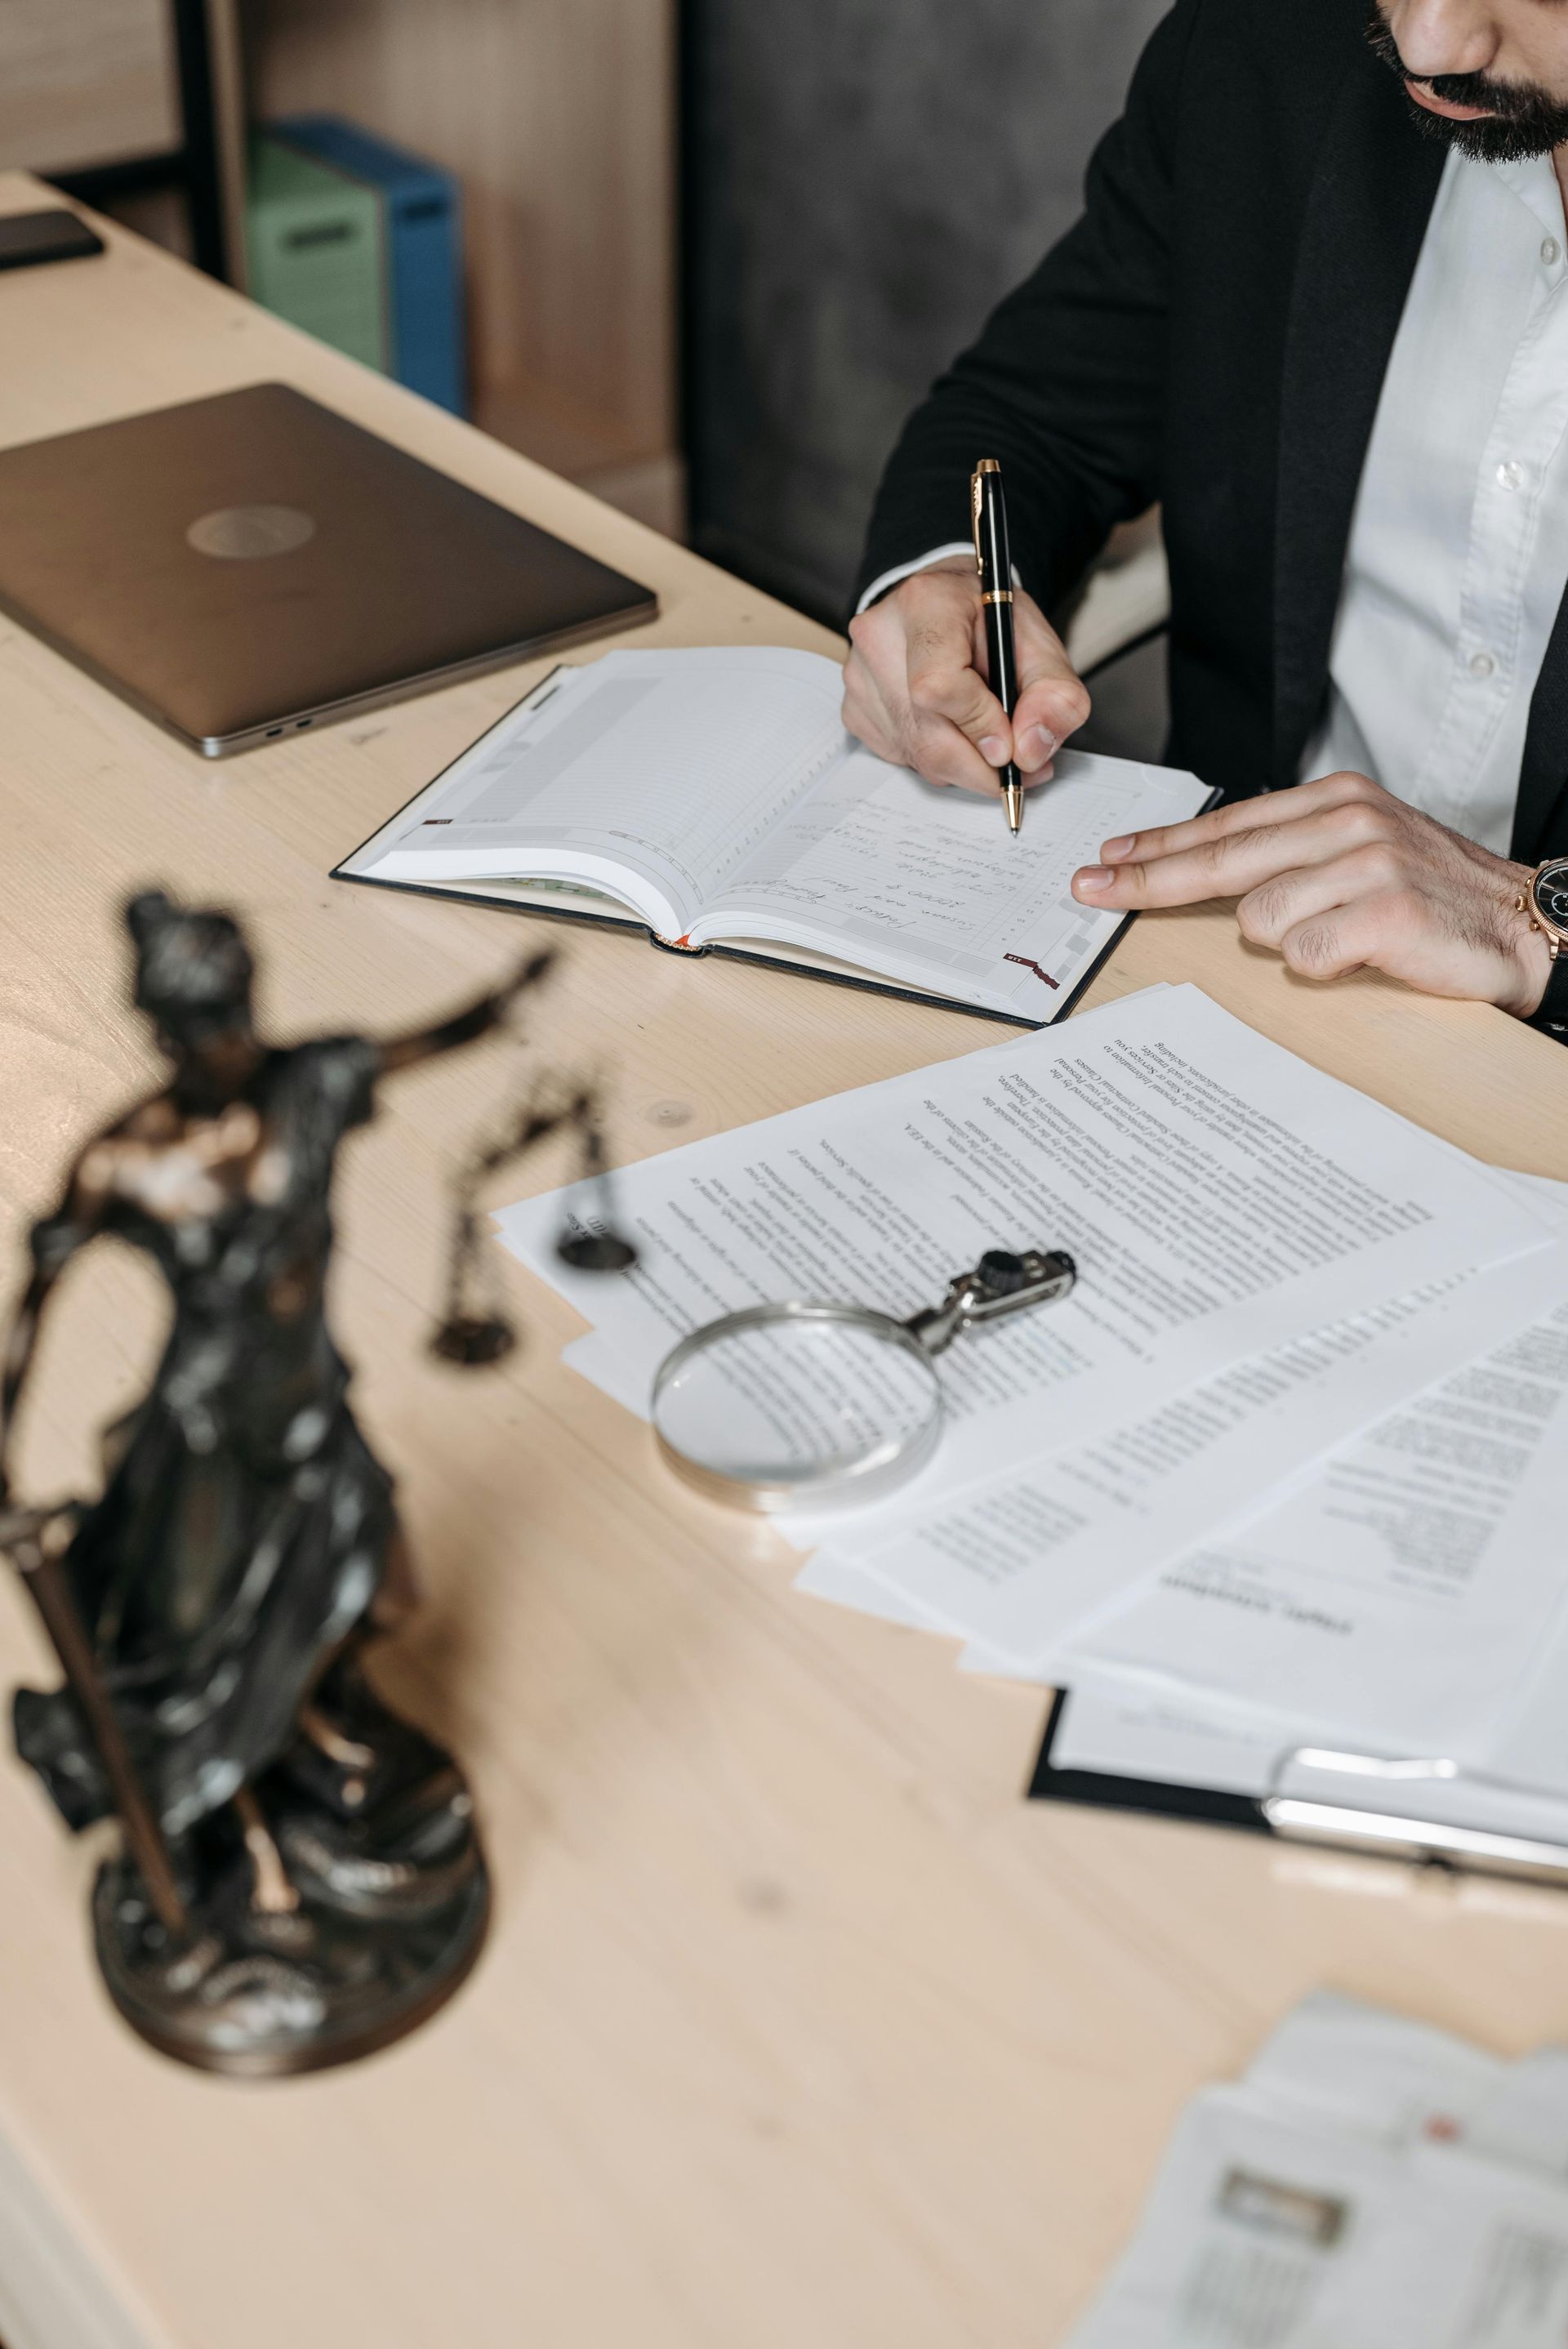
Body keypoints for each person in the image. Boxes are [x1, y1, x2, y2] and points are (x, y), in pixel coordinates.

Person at [844, 0, 1568, 1035]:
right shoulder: (1269, 44)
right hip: (1224, 973)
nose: (1427, 42)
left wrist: (1528, 921)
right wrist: (947, 579)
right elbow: (1027, 413)